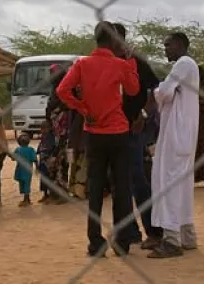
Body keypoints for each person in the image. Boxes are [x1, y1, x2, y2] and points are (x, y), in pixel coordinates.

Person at [56, 20, 139, 257]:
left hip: (94, 133)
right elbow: (133, 90)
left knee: (94, 189)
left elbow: (62, 90)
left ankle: (95, 242)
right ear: (114, 40)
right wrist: (130, 62)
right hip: (118, 132)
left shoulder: (82, 64)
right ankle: (122, 241)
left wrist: (83, 109)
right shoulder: (120, 64)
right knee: (121, 188)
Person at [148, 32, 199, 259]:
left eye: (168, 45)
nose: (165, 49)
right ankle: (187, 236)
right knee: (182, 184)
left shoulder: (183, 64)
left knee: (169, 183)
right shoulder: (189, 65)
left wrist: (157, 91)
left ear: (179, 45)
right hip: (183, 133)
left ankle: (171, 240)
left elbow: (164, 91)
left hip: (177, 134)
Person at [112, 22, 163, 250]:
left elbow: (155, 89)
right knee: (117, 182)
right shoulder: (106, 63)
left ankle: (154, 231)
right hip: (111, 129)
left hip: (133, 128)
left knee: (138, 180)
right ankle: (130, 233)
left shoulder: (137, 62)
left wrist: (143, 113)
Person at [45, 63, 71, 205]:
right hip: (54, 130)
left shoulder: (64, 90)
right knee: (53, 161)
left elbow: (63, 110)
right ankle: (54, 193)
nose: (50, 77)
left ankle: (62, 193)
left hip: (62, 130)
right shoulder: (54, 90)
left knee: (61, 160)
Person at [12, 133, 37, 207]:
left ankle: (26, 200)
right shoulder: (31, 149)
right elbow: (35, 159)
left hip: (21, 170)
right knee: (27, 184)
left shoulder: (18, 149)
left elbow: (13, 158)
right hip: (28, 170)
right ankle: (27, 199)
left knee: (23, 184)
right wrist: (37, 168)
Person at [37, 120, 55, 203]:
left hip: (48, 162)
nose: (43, 130)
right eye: (42, 128)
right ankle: (45, 195)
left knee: (49, 178)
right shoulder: (43, 137)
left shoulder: (51, 137)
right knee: (43, 179)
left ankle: (51, 196)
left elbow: (51, 147)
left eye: (45, 128)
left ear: (50, 128)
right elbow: (39, 148)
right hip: (42, 161)